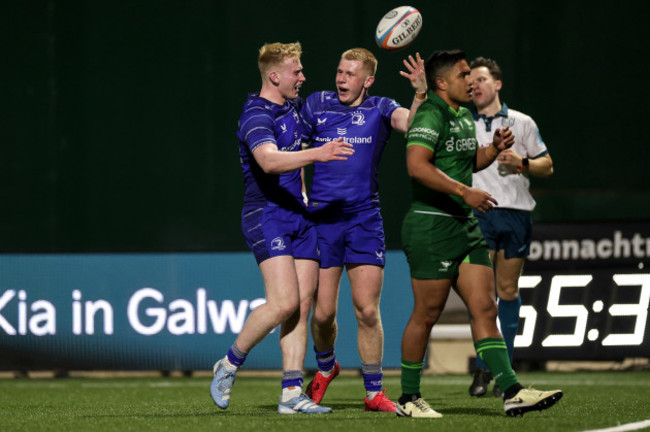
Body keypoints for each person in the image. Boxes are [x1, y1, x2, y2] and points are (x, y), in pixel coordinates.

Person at [397, 49, 562, 418]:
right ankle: (408, 399)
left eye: (472, 73)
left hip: (464, 225)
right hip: (431, 224)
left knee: (486, 306)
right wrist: (463, 191)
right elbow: (416, 166)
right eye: (463, 74)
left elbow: (469, 161)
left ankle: (512, 390)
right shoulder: (429, 113)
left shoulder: (462, 117)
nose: (470, 80)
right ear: (441, 82)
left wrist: (493, 149)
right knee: (427, 313)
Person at [209, 41, 354, 415]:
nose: (303, 77)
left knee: (301, 307)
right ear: (275, 76)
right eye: (297, 71)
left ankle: (292, 392)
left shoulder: (291, 107)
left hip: (299, 215)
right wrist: (317, 154)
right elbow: (270, 161)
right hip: (267, 214)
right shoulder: (255, 115)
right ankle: (228, 363)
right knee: (284, 302)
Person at [300, 48, 428, 412]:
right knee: (322, 314)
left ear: (367, 80)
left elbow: (413, 125)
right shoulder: (317, 104)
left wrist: (419, 93)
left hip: (364, 220)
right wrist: (303, 191)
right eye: (339, 71)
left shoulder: (381, 107)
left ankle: (374, 393)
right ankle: (326, 368)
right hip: (323, 221)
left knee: (367, 310)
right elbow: (293, 148)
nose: (341, 78)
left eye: (350, 74)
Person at [467, 57, 554, 398]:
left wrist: (523, 163)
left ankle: (504, 366)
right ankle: (484, 367)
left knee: (507, 292)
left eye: (482, 79)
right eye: (470, 81)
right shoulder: (462, 122)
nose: (475, 85)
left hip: (516, 214)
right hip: (481, 212)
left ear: (498, 84)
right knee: (481, 296)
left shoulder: (521, 122)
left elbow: (547, 165)